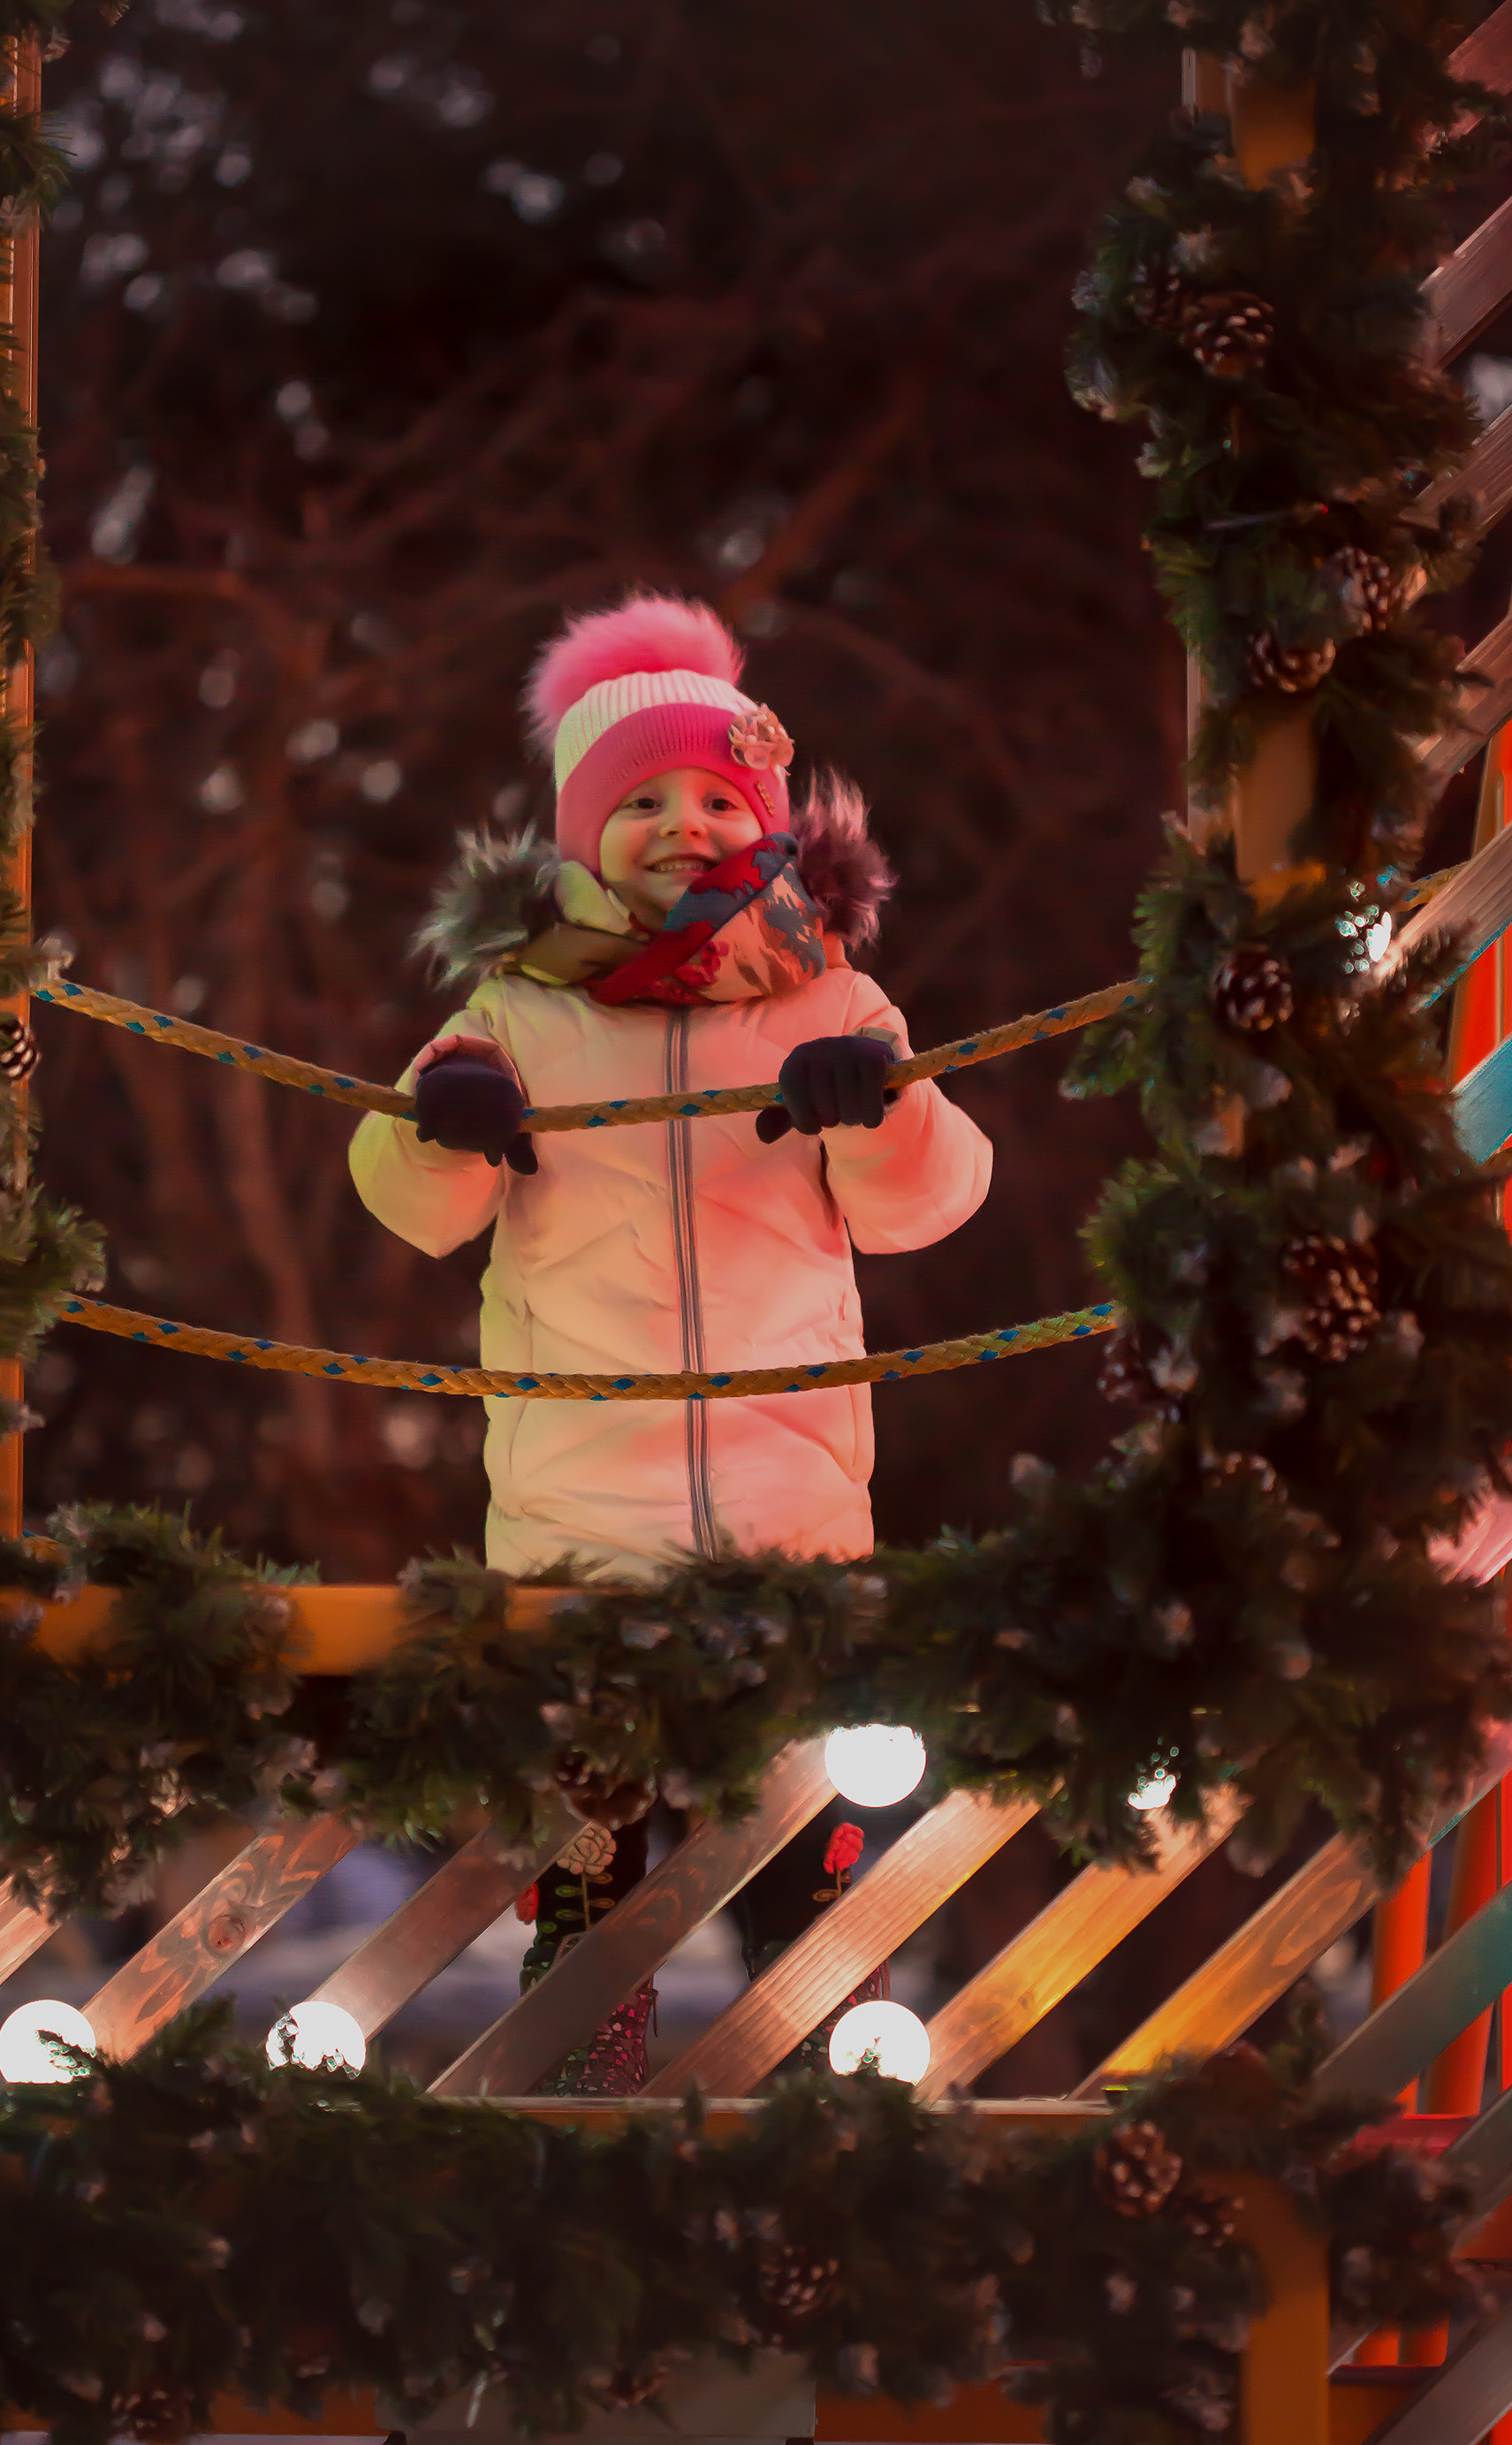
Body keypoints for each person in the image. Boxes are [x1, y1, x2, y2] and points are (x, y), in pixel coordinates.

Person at [350, 593, 992, 2087]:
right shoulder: (514, 1007)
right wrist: (444, 1131)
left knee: (794, 1838)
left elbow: (935, 1201)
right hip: (581, 1519)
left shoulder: (828, 993)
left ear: (765, 816)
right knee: (589, 1855)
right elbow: (406, 1204)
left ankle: (830, 2060)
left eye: (716, 797)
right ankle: (585, 2064)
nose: (681, 826)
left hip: (791, 1519)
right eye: (639, 802)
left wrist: (881, 1105)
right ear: (581, 840)